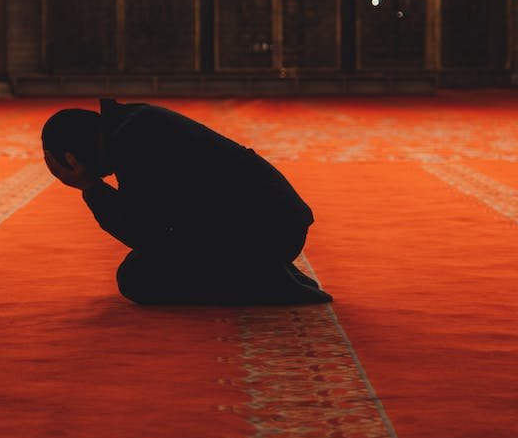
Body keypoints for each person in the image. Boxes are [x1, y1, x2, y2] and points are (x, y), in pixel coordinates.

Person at [41, 98, 331, 306]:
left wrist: (90, 187)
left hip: (269, 233)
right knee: (143, 265)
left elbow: (142, 231)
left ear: (71, 159)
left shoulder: (133, 139)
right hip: (269, 225)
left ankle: (265, 283)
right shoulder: (132, 124)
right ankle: (262, 271)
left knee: (138, 278)